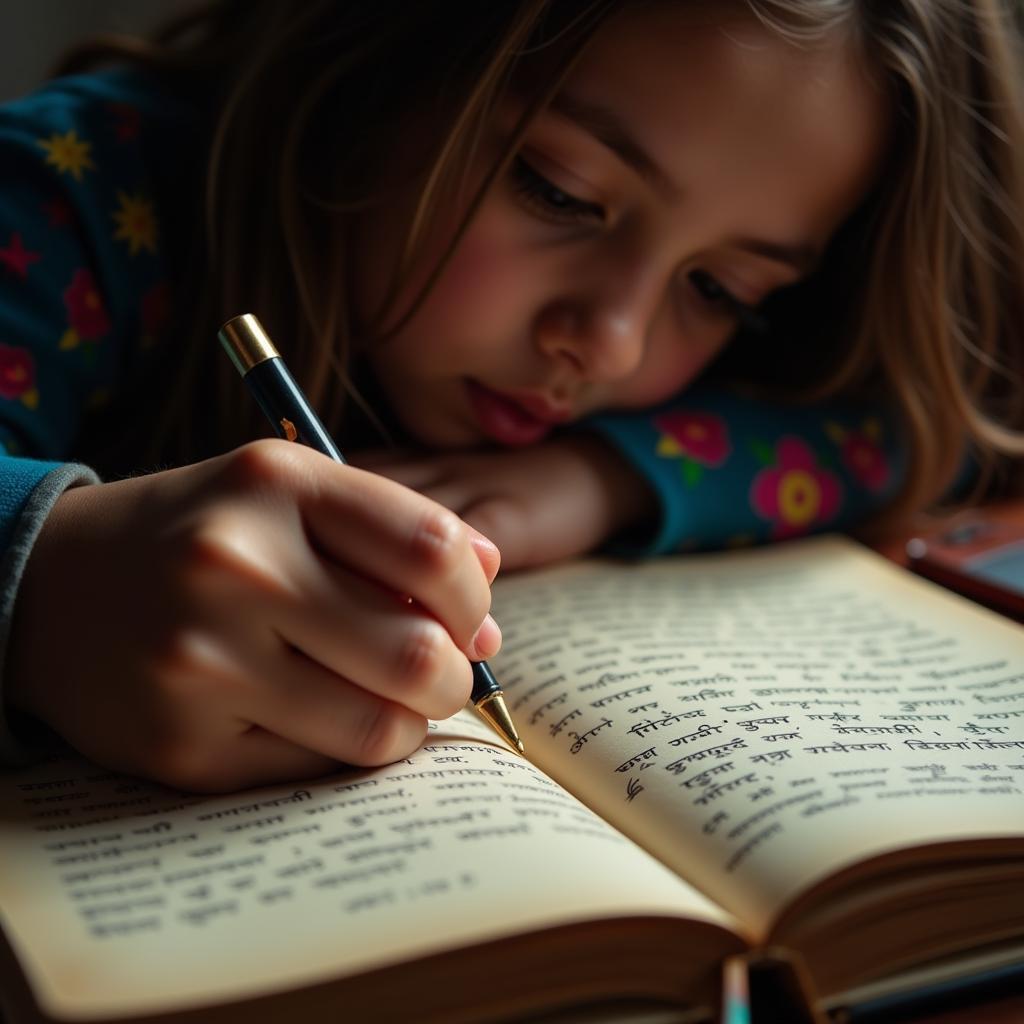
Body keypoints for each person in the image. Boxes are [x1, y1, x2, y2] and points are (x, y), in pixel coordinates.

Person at [0, 0, 1021, 792]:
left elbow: (914, 426)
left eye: (722, 289)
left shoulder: (654, 384)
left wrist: (598, 477)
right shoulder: (69, 202)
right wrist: (41, 581)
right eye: (560, 191)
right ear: (376, 54)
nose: (611, 345)